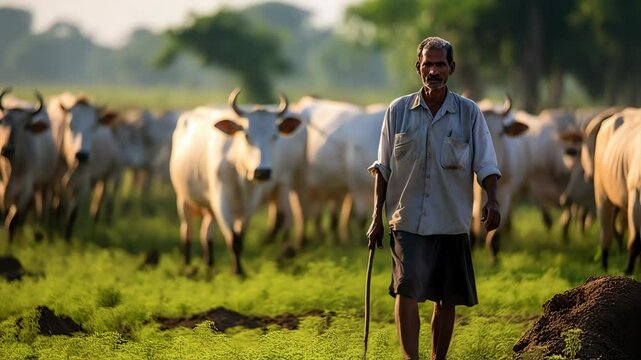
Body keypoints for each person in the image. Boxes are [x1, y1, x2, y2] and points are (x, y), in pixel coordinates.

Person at [366, 36, 501, 360]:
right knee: (406, 288)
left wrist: (492, 200)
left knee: (447, 297)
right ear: (418, 68)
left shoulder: (468, 114)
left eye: (440, 64)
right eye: (428, 64)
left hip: (451, 220)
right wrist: (376, 218)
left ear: (451, 68)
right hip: (407, 218)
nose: (433, 70)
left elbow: (486, 163)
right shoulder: (398, 111)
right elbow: (383, 167)